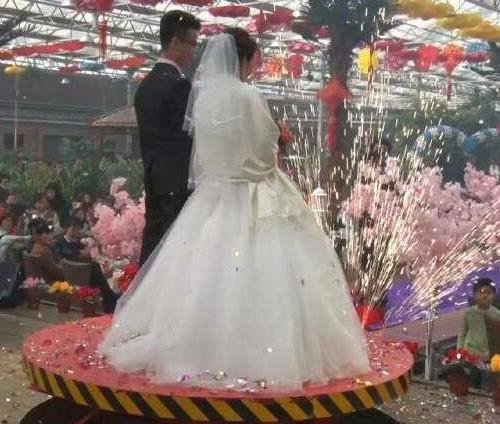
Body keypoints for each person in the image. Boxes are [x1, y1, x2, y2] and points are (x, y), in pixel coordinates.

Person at [99, 30, 370, 392]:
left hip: (213, 198)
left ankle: (200, 347)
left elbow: (203, 154)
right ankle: (265, 354)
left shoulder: (203, 100)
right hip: (254, 192)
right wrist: (276, 144)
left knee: (205, 273)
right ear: (243, 58)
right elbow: (262, 152)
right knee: (273, 272)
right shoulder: (248, 95)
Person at [135, 10, 201, 266]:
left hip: (154, 181)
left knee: (152, 251)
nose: (194, 50)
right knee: (174, 261)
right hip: (177, 185)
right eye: (192, 43)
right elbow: (188, 139)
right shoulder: (178, 86)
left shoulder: (146, 85)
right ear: (175, 41)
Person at [52, 216, 118, 313]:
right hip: (70, 272)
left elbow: (84, 255)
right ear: (67, 228)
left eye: (78, 229)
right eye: (73, 228)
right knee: (95, 269)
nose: (76, 231)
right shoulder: (60, 242)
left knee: (96, 271)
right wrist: (78, 257)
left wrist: (85, 254)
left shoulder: (77, 243)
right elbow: (60, 259)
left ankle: (108, 299)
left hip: (81, 270)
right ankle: (109, 297)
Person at [457, 278, 500, 360]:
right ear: (474, 295)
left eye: (489, 292)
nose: (485, 295)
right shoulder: (469, 313)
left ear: (493, 296)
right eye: (481, 292)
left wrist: (492, 352)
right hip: (469, 354)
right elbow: (462, 334)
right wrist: (459, 352)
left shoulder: (497, 314)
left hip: (489, 355)